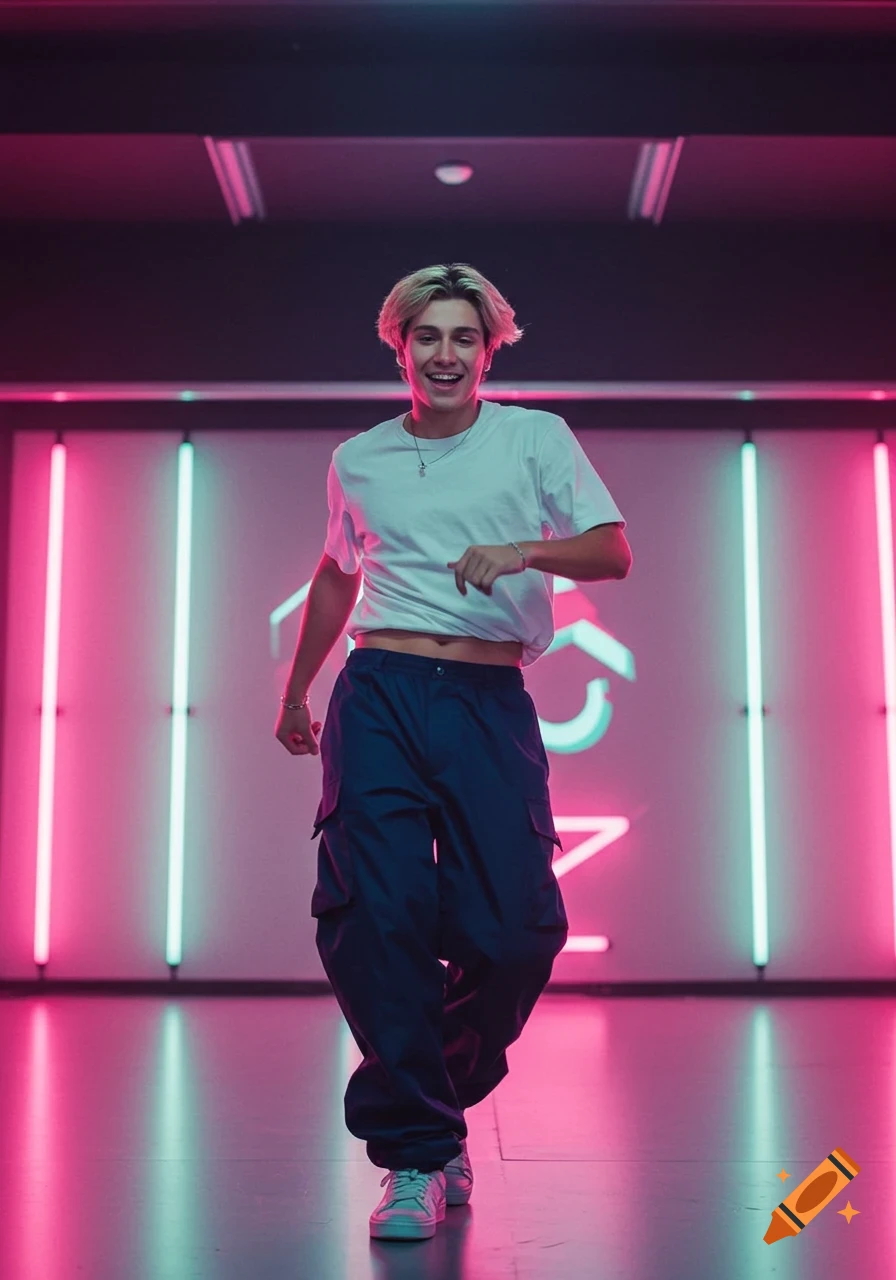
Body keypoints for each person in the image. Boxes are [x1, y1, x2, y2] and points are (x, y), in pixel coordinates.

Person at [274, 263, 631, 1242]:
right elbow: (337, 573)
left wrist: (522, 552)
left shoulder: (533, 439)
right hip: (380, 692)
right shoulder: (360, 459)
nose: (444, 354)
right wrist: (297, 688)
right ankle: (417, 1154)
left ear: (488, 349)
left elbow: (610, 550)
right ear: (399, 347)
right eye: (425, 336)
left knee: (516, 931)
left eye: (462, 337)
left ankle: (428, 1099)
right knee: (375, 917)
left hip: (485, 698)